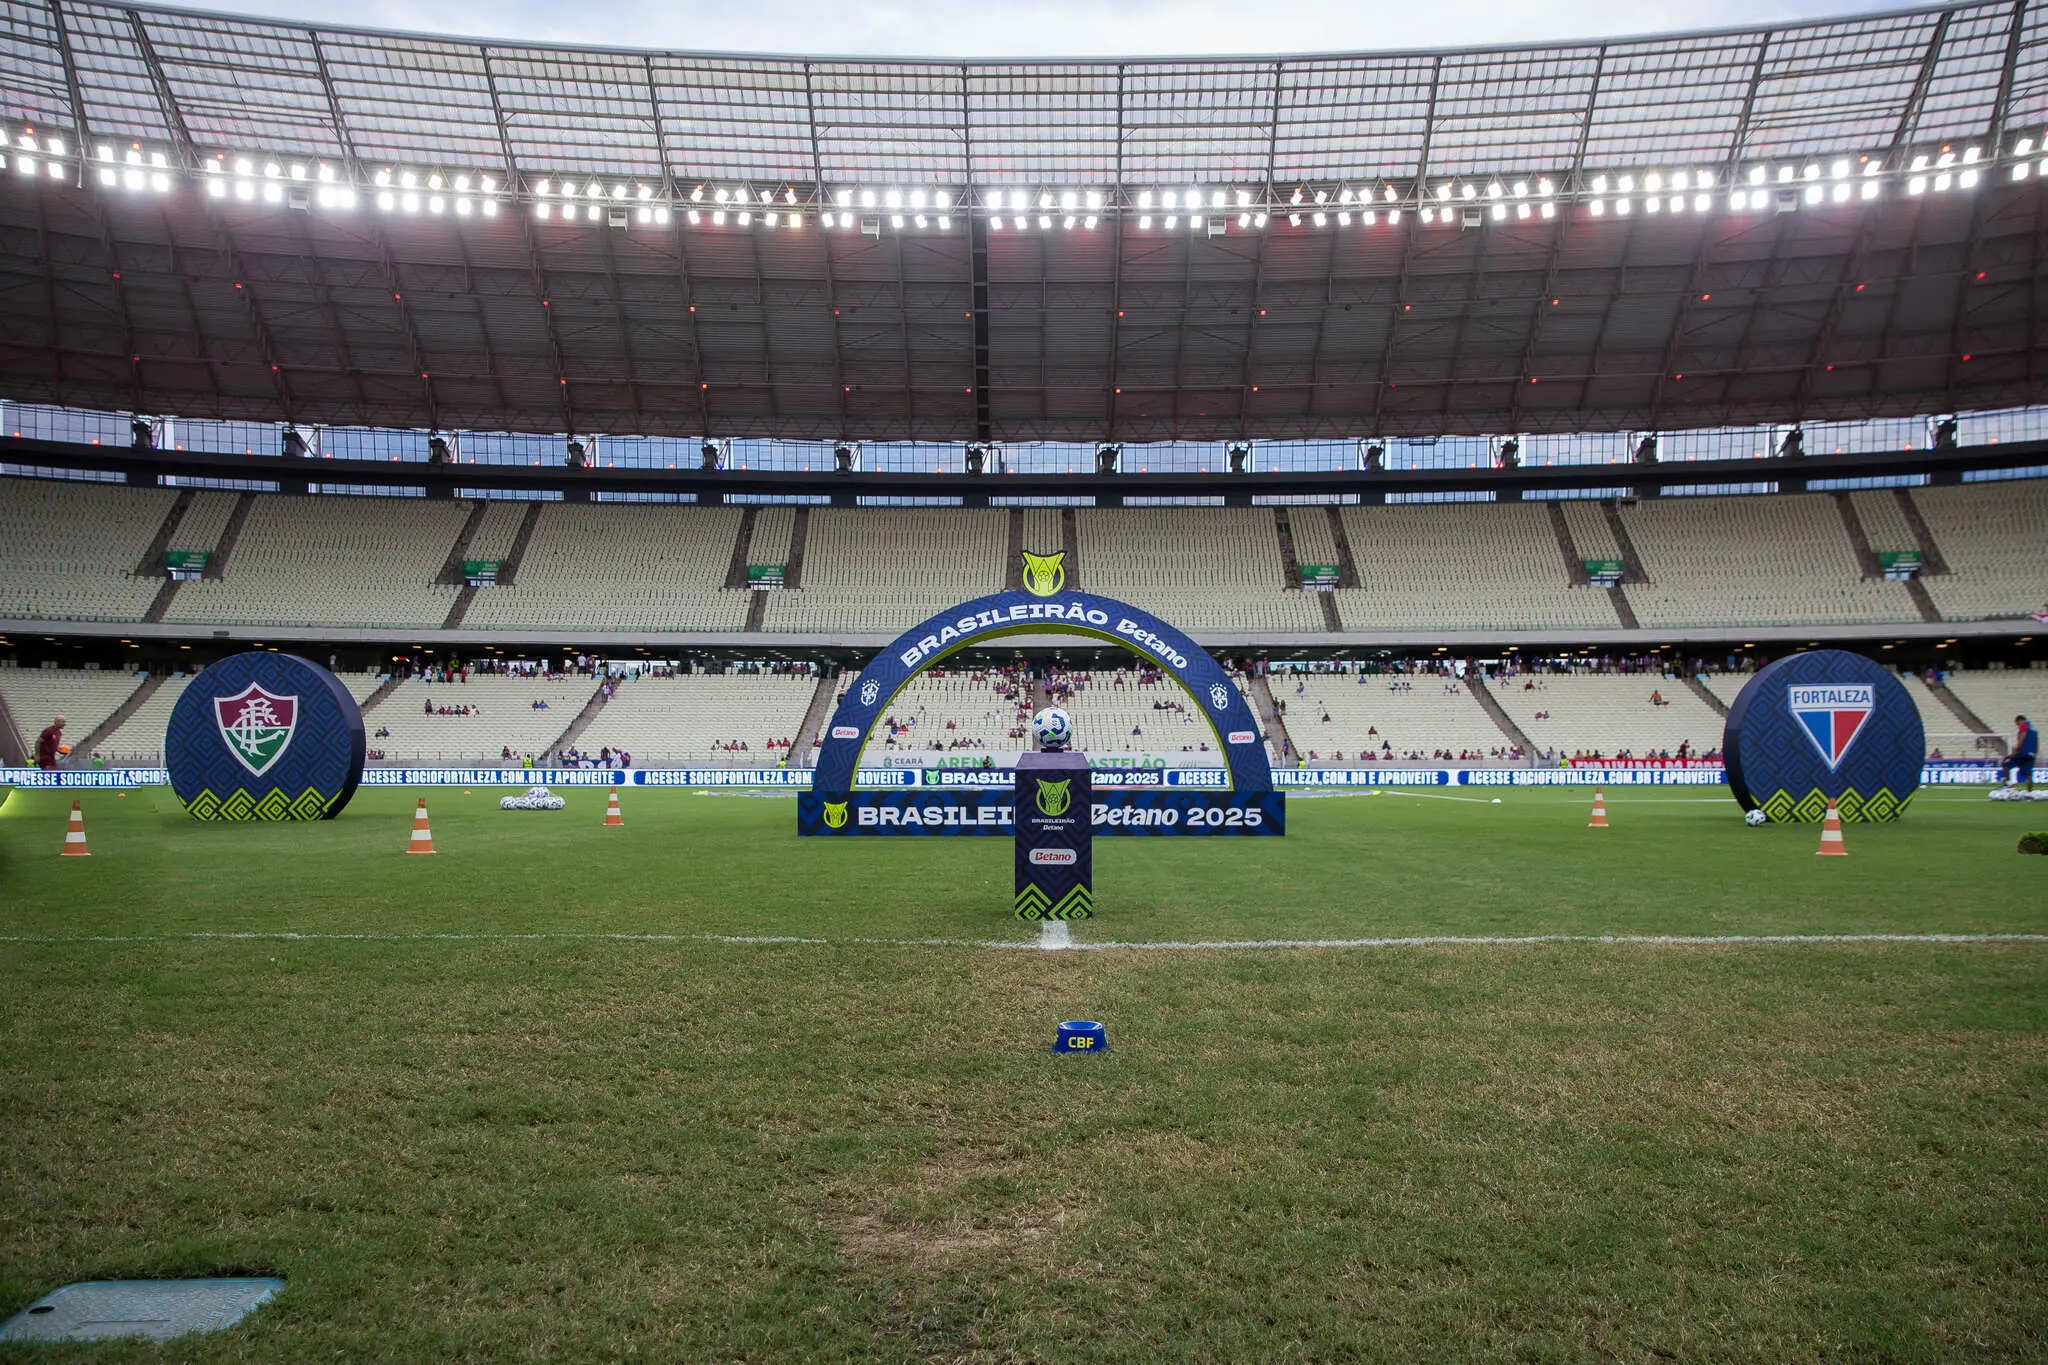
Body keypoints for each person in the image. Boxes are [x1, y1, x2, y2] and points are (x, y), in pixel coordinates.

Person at [2000, 715, 2037, 792]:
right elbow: (2036, 744)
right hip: (2031, 755)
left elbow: (2022, 738)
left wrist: (2015, 751)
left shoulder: (2023, 726)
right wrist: (2034, 754)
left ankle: (2009, 785)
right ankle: (2029, 794)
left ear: (2020, 720)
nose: (2018, 726)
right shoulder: (2034, 731)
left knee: (2005, 763)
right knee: (2028, 774)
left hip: (2023, 753)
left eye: (2017, 724)